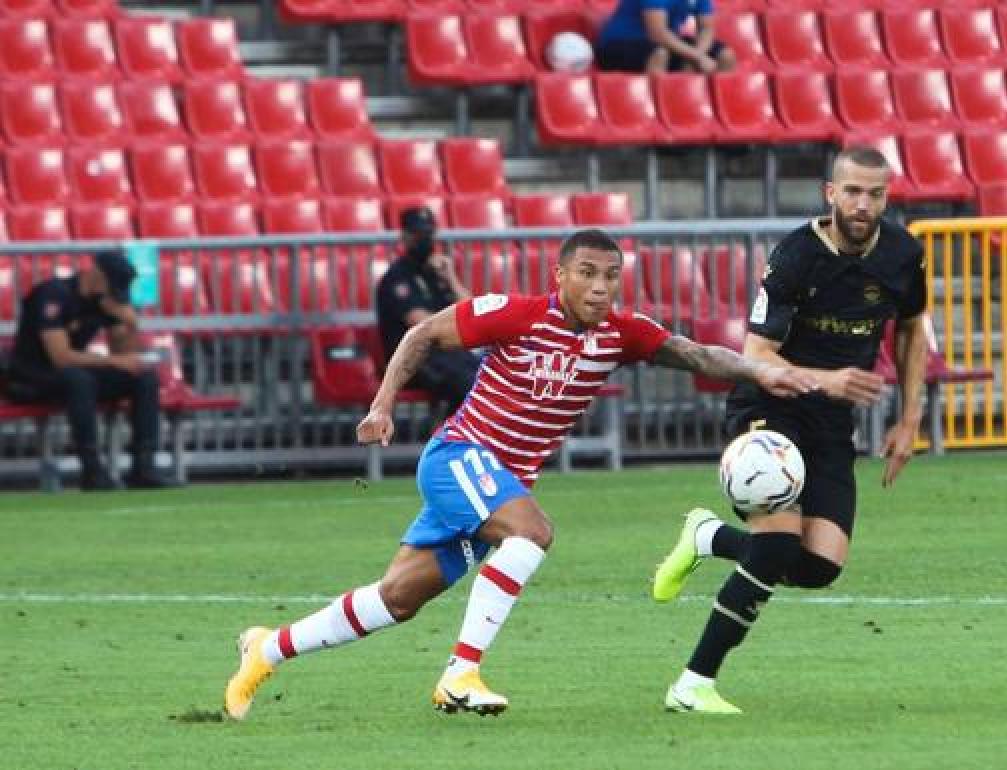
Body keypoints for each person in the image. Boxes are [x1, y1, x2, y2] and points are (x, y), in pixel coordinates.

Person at [224, 228, 819, 720]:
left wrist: (762, 371)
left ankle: (267, 648)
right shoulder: (515, 314)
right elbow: (422, 333)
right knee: (532, 533)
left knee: (397, 599)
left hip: (498, 483)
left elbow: (696, 353)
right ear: (559, 276)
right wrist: (382, 406)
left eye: (611, 275)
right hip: (459, 457)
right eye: (587, 272)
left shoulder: (621, 334)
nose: (600, 286)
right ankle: (460, 675)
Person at [652, 146, 931, 714]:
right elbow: (756, 355)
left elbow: (909, 328)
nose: (863, 204)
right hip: (770, 405)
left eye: (875, 194)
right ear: (831, 194)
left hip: (830, 421)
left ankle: (708, 538)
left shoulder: (903, 254)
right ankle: (693, 684)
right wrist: (828, 380)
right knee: (777, 542)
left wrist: (909, 420)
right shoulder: (795, 256)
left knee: (819, 565)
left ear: (887, 197)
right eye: (852, 191)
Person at [6, 251, 178, 490]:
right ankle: (92, 469)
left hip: (71, 376)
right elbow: (61, 357)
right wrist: (116, 361)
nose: (113, 293)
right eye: (112, 286)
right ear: (97, 274)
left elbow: (124, 354)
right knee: (79, 379)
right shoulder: (53, 294)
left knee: (143, 378)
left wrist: (130, 324)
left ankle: (144, 467)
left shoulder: (107, 301)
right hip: (28, 378)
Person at [375, 206, 478, 416]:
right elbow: (420, 322)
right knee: (468, 384)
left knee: (490, 377)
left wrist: (451, 279)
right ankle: (451, 433)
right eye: (418, 234)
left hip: (448, 353)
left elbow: (473, 312)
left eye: (428, 233)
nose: (424, 239)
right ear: (405, 237)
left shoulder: (436, 273)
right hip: (412, 360)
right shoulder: (397, 277)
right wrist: (458, 323)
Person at [595, 0, 736, 74]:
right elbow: (657, 33)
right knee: (660, 54)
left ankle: (703, 108)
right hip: (616, 45)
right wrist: (698, 57)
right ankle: (656, 112)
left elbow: (706, 28)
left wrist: (698, 53)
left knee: (725, 55)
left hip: (663, 42)